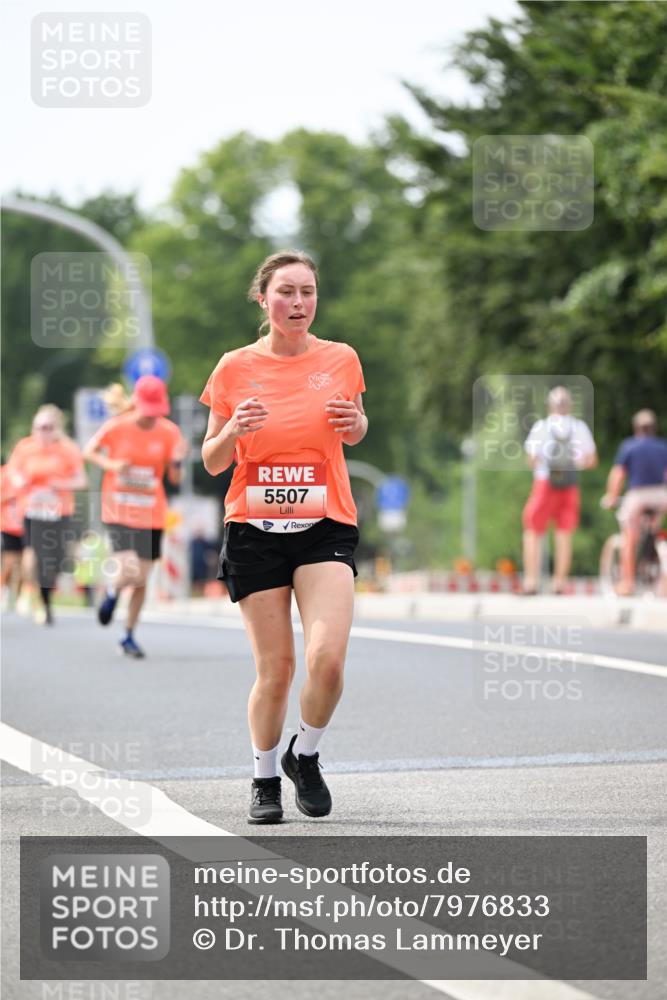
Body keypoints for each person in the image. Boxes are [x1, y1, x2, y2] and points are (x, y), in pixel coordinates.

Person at [200, 249, 367, 824]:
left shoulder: (341, 358)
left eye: (308, 292)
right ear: (263, 298)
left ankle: (307, 754)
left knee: (328, 661)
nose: (299, 303)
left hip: (325, 525)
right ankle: (265, 778)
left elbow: (357, 426)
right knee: (277, 670)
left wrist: (358, 424)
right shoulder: (233, 367)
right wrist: (233, 430)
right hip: (255, 530)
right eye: (287, 292)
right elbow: (212, 460)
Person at [83, 375, 186, 658]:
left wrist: (177, 461)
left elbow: (175, 479)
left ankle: (127, 634)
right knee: (128, 568)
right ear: (137, 403)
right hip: (119, 508)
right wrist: (112, 464)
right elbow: (89, 452)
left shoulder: (170, 433)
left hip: (151, 512)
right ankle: (113, 594)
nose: (152, 417)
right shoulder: (117, 427)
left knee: (141, 578)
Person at [6, 405, 87, 624]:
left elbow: (82, 480)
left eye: (48, 428)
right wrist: (19, 481)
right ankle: (30, 594)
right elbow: (12, 471)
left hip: (59, 512)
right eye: (39, 427)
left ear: (57, 429)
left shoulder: (68, 450)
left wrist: (59, 483)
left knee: (54, 560)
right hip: (32, 510)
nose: (43, 432)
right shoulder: (25, 448)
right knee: (32, 554)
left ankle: (45, 598)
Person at [522, 386, 597, 594]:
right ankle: (559, 583)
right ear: (569, 406)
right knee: (564, 533)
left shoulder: (541, 426)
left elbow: (531, 459)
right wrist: (573, 464)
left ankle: (531, 581)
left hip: (545, 483)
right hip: (570, 484)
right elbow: (591, 460)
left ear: (550, 406)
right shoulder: (579, 427)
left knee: (532, 530)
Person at [601, 409, 667, 595]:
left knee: (629, 536)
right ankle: (656, 551)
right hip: (662, 495)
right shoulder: (662, 447)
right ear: (654, 428)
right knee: (655, 528)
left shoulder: (629, 446)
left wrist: (612, 496)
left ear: (636, 428)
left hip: (638, 495)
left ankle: (627, 583)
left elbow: (618, 475)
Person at [1, 462, 26, 610]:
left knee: (25, 566)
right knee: (9, 563)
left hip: (26, 526)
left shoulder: (29, 473)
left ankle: (19, 598)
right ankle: (3, 593)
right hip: (8, 526)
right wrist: (12, 495)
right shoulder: (3, 474)